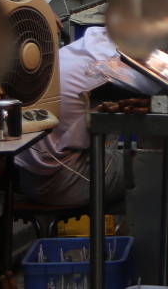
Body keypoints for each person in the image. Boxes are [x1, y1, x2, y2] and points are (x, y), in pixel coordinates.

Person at [15, 28, 136, 205]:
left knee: (136, 155)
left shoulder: (93, 41)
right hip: (58, 179)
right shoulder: (111, 66)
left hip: (30, 171)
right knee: (161, 166)